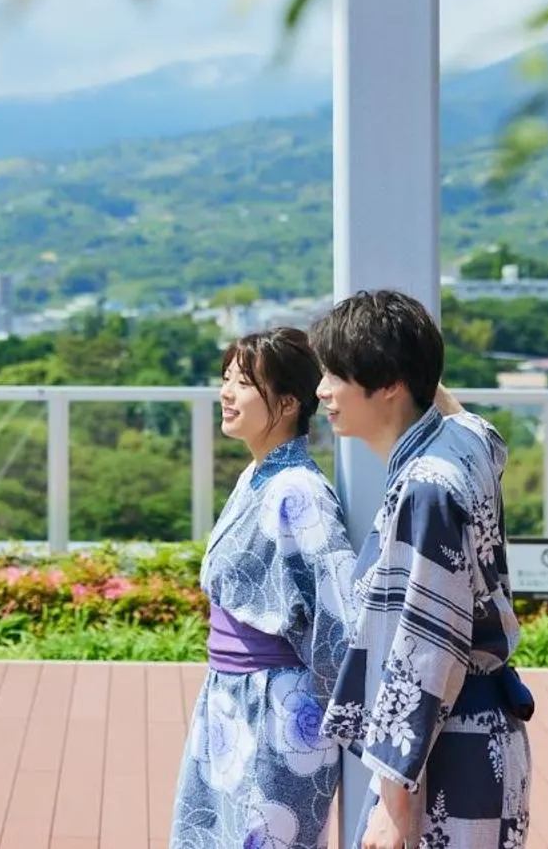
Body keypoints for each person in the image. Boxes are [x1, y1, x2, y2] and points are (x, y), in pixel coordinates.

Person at [314, 290, 533, 849]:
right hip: (480, 737)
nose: (323, 391)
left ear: (388, 383)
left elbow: (424, 653)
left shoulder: (425, 489)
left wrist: (392, 807)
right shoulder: (462, 441)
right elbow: (478, 427)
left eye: (337, 374)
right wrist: (409, 352)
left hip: (448, 756)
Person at [171, 327, 359, 849]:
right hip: (233, 698)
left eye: (244, 383)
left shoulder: (297, 490)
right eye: (226, 379)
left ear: (289, 402)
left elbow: (337, 615)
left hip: (277, 711)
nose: (227, 393)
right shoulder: (258, 477)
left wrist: (354, 719)